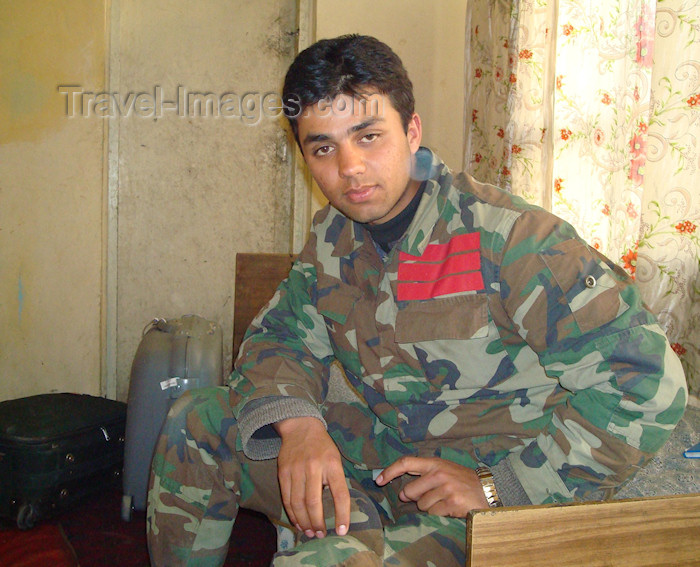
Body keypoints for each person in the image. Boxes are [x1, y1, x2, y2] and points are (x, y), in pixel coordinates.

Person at [147, 35, 688, 566]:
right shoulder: (334, 238)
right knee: (196, 419)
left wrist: (501, 487)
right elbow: (278, 336)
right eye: (323, 147)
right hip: (381, 465)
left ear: (412, 131)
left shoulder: (512, 240)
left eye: (368, 136)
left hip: (483, 509)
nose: (350, 167)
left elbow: (646, 381)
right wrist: (300, 425)